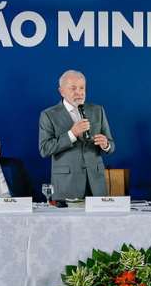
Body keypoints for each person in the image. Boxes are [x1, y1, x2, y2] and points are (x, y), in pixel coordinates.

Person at [38, 70, 114, 200]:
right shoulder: (49, 115)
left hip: (95, 184)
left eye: (82, 87)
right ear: (62, 91)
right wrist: (71, 134)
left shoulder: (97, 110)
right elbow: (45, 149)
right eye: (73, 88)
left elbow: (111, 145)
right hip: (67, 184)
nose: (79, 92)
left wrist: (105, 144)